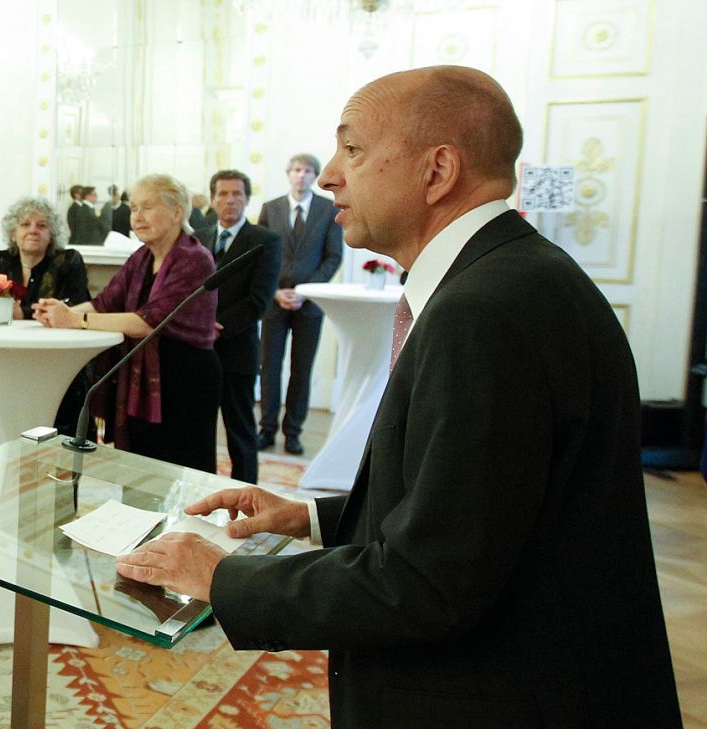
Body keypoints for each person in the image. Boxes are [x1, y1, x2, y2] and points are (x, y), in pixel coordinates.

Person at [115, 65, 681, 729]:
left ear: (437, 171)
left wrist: (221, 576)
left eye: (352, 149)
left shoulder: (483, 312)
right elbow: (473, 511)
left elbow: (428, 583)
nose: (329, 176)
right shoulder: (510, 277)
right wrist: (308, 516)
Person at [35, 174, 220, 473]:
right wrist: (57, 313)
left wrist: (75, 320)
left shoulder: (194, 258)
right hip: (141, 378)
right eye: (133, 208)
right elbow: (104, 302)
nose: (137, 216)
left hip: (184, 379)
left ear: (177, 212)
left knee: (180, 472)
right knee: (138, 470)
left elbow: (150, 322)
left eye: (147, 206)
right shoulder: (142, 257)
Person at [0, 197, 90, 433]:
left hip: (56, 362)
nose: (33, 230)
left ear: (51, 235)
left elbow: (76, 305)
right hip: (5, 359)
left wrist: (21, 312)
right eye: (25, 224)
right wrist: (2, 309)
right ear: (13, 233)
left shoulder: (68, 261)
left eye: (42, 225)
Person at [193, 170, 282, 484]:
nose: (230, 200)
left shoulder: (265, 241)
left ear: (247, 199)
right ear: (212, 199)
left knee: (240, 431)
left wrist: (218, 326)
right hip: (199, 352)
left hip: (237, 351)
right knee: (198, 431)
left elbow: (259, 301)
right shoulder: (198, 237)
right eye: (223, 194)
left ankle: (245, 495)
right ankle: (199, 490)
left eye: (237, 194)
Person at [257, 152, 344, 455]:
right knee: (269, 366)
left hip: (309, 304)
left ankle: (293, 432)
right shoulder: (271, 209)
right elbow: (260, 254)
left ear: (314, 176)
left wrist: (306, 291)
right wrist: (273, 291)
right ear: (288, 174)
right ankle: (266, 429)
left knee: (301, 368)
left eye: (308, 171)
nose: (301, 175)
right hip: (274, 300)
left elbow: (333, 256)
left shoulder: (328, 209)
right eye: (296, 170)